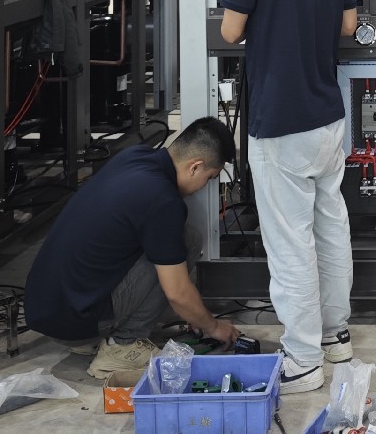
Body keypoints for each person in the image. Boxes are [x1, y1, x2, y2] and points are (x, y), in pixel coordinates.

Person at [220, 0, 359, 395]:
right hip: (327, 116)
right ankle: (335, 336)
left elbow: (231, 32)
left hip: (280, 120)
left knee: (289, 243)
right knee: (330, 226)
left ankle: (302, 359)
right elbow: (347, 24)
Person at [24, 117, 242, 378]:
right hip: (73, 322)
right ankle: (122, 346)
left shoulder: (134, 156)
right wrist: (212, 326)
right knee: (186, 243)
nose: (205, 186)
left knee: (178, 239)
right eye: (209, 178)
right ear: (195, 167)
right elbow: (177, 293)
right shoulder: (163, 201)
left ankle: (99, 334)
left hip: (48, 307)